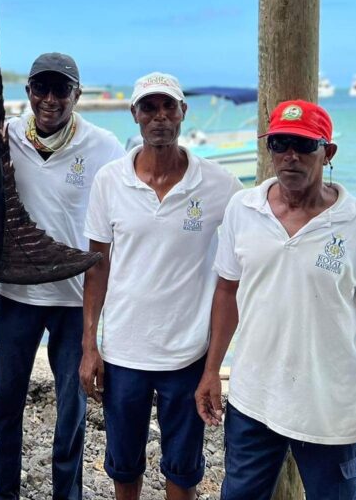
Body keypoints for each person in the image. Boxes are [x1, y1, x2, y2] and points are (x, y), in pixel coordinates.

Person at [195, 99, 356, 500]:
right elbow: (227, 291)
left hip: (328, 410)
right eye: (279, 143)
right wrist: (212, 370)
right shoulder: (243, 208)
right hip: (252, 400)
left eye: (304, 144)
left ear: (328, 153)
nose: (290, 155)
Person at [80, 72, 242, 500]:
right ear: (134, 114)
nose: (160, 117)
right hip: (123, 352)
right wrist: (89, 344)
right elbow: (97, 268)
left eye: (169, 106)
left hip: (187, 353)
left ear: (183, 112)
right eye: (149, 107)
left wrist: (214, 366)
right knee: (123, 464)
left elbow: (254, 242)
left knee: (183, 470)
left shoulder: (220, 185)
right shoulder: (109, 180)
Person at [0, 52, 123, 500]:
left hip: (73, 300)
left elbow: (126, 211)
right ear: (28, 92)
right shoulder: (5, 135)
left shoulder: (104, 146)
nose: (50, 99)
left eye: (61, 89)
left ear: (77, 94)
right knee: (5, 405)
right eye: (41, 88)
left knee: (72, 411)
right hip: (15, 295)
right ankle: (3, 493)